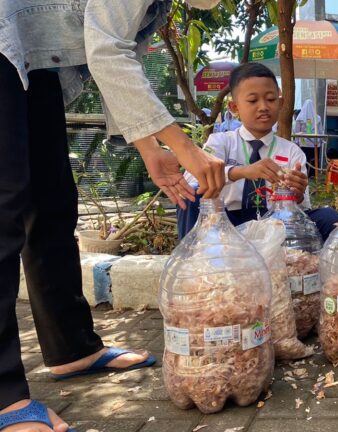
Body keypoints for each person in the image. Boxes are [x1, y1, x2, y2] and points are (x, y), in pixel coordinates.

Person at [0, 0, 226, 430]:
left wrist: (150, 149)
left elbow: (114, 60)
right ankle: (3, 395)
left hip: (32, 52)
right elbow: (106, 50)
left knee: (51, 201)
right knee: (4, 201)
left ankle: (71, 347)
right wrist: (186, 147)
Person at [176, 63, 338, 241]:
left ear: (281, 103)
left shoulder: (292, 151)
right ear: (235, 108)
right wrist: (240, 172)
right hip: (227, 221)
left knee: (328, 219)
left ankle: (312, 264)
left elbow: (303, 209)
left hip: (276, 224)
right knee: (189, 197)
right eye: (253, 101)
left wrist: (298, 196)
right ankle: (192, 260)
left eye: (270, 99)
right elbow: (192, 179)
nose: (263, 107)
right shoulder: (221, 142)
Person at [293, 100, 326, 177]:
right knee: (314, 159)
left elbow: (296, 131)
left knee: (304, 159)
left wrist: (297, 141)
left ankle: (304, 174)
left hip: (303, 143)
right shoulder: (318, 118)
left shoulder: (299, 118)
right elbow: (320, 130)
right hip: (315, 143)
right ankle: (314, 175)